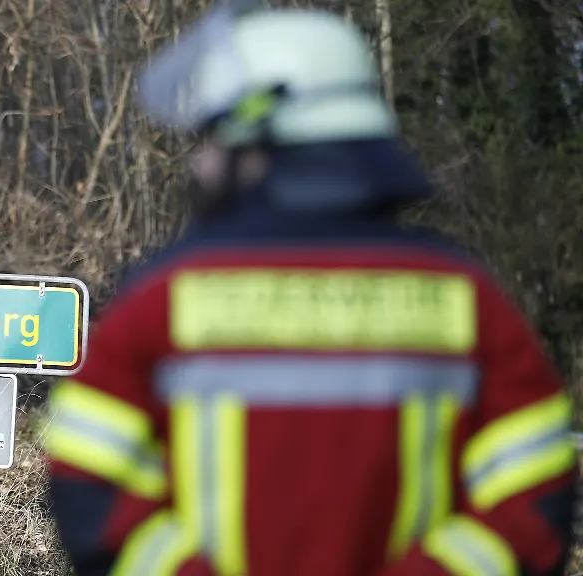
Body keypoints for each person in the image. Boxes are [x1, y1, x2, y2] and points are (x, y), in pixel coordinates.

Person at [40, 1, 580, 575]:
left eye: (212, 138)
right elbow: (536, 490)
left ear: (258, 135)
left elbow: (87, 480)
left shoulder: (167, 299)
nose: (200, 166)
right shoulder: (461, 296)